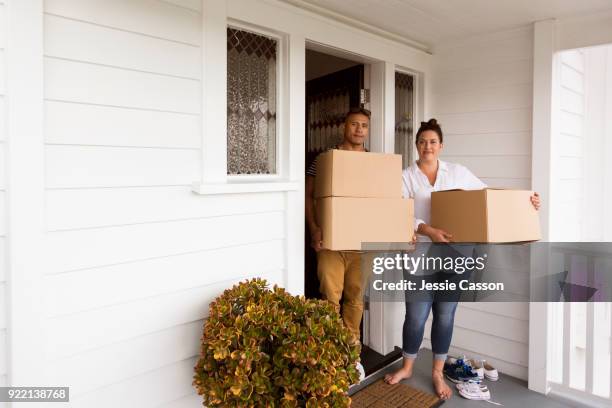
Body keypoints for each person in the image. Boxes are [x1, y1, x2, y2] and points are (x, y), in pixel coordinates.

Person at [384, 119, 540, 400]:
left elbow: (488, 200)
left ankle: (436, 371)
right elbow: (399, 212)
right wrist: (427, 229)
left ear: (441, 146)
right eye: (422, 141)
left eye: (432, 141)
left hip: (456, 257)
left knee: (445, 315)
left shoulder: (458, 173)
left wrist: (527, 203)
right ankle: (407, 366)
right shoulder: (406, 177)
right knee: (416, 316)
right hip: (420, 257)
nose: (427, 146)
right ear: (416, 145)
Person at [305, 107, 370, 375]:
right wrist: (314, 229)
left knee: (355, 298)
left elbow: (382, 202)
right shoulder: (324, 159)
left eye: (364, 125)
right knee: (330, 298)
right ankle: (329, 353)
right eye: (354, 124)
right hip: (331, 242)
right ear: (344, 127)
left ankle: (351, 353)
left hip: (362, 244)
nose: (358, 129)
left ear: (368, 130)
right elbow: (308, 195)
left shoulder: (373, 162)